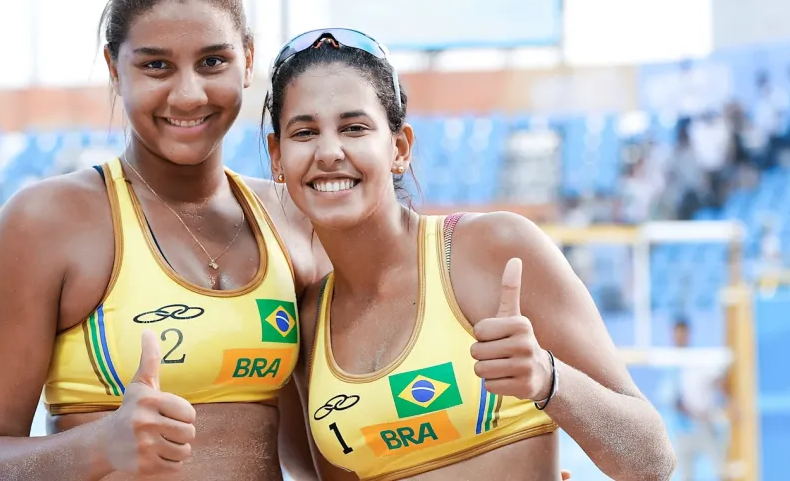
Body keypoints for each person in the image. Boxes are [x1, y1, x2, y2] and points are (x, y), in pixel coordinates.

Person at [0, 0, 327, 481]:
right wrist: (99, 446)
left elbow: (317, 453)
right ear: (114, 67)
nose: (188, 94)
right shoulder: (48, 223)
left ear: (247, 59)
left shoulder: (291, 221)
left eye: (212, 61)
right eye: (156, 66)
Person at [264, 28, 677, 480]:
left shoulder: (494, 251)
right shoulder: (307, 322)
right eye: (304, 132)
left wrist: (549, 379)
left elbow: (650, 461)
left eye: (354, 128)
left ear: (399, 148)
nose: (329, 152)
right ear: (277, 158)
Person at [670, 318, 729, 481]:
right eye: (676, 335)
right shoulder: (668, 361)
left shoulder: (698, 359)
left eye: (682, 334)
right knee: (686, 475)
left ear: (688, 335)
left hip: (702, 423)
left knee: (721, 469)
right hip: (680, 427)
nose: (679, 338)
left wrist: (729, 404)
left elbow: (720, 378)